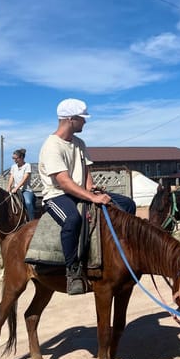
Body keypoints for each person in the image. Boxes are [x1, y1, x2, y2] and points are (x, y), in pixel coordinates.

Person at [38, 98, 136, 294]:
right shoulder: (52, 146)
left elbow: (86, 172)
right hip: (57, 195)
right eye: (82, 119)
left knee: (127, 204)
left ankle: (123, 251)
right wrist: (92, 198)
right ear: (70, 119)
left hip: (79, 191)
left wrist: (92, 189)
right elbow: (64, 181)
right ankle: (72, 271)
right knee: (73, 219)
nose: (85, 122)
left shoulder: (79, 143)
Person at [7, 148, 36, 221]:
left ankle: (32, 221)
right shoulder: (13, 167)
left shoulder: (27, 165)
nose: (14, 160)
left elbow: (24, 179)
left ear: (21, 157)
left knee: (28, 202)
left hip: (26, 190)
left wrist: (16, 188)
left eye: (16, 158)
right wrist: (8, 187)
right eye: (13, 158)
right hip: (15, 190)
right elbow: (11, 177)